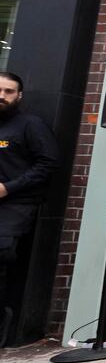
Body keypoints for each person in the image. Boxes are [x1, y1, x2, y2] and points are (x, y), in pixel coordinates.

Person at [0, 72, 58, 347]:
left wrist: (8, 187)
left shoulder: (30, 125)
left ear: (19, 96)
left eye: (9, 91)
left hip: (15, 204)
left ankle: (5, 320)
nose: (2, 96)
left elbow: (48, 163)